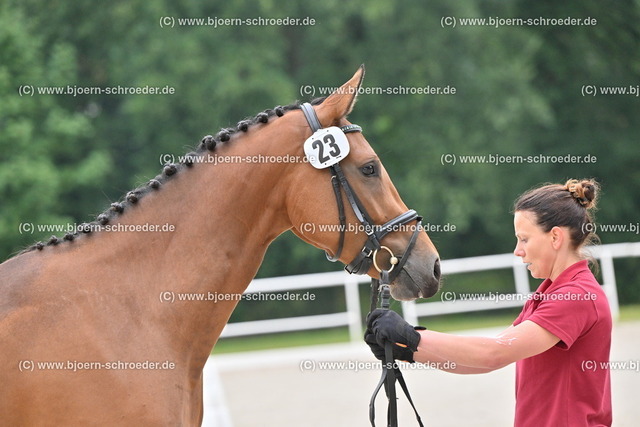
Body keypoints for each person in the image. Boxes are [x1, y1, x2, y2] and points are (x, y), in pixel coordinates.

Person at [365, 178, 612, 427]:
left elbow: (493, 353)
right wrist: (409, 351)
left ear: (556, 237)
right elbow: (482, 361)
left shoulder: (576, 296)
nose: (518, 250)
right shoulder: (552, 292)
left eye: (524, 239)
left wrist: (412, 336)